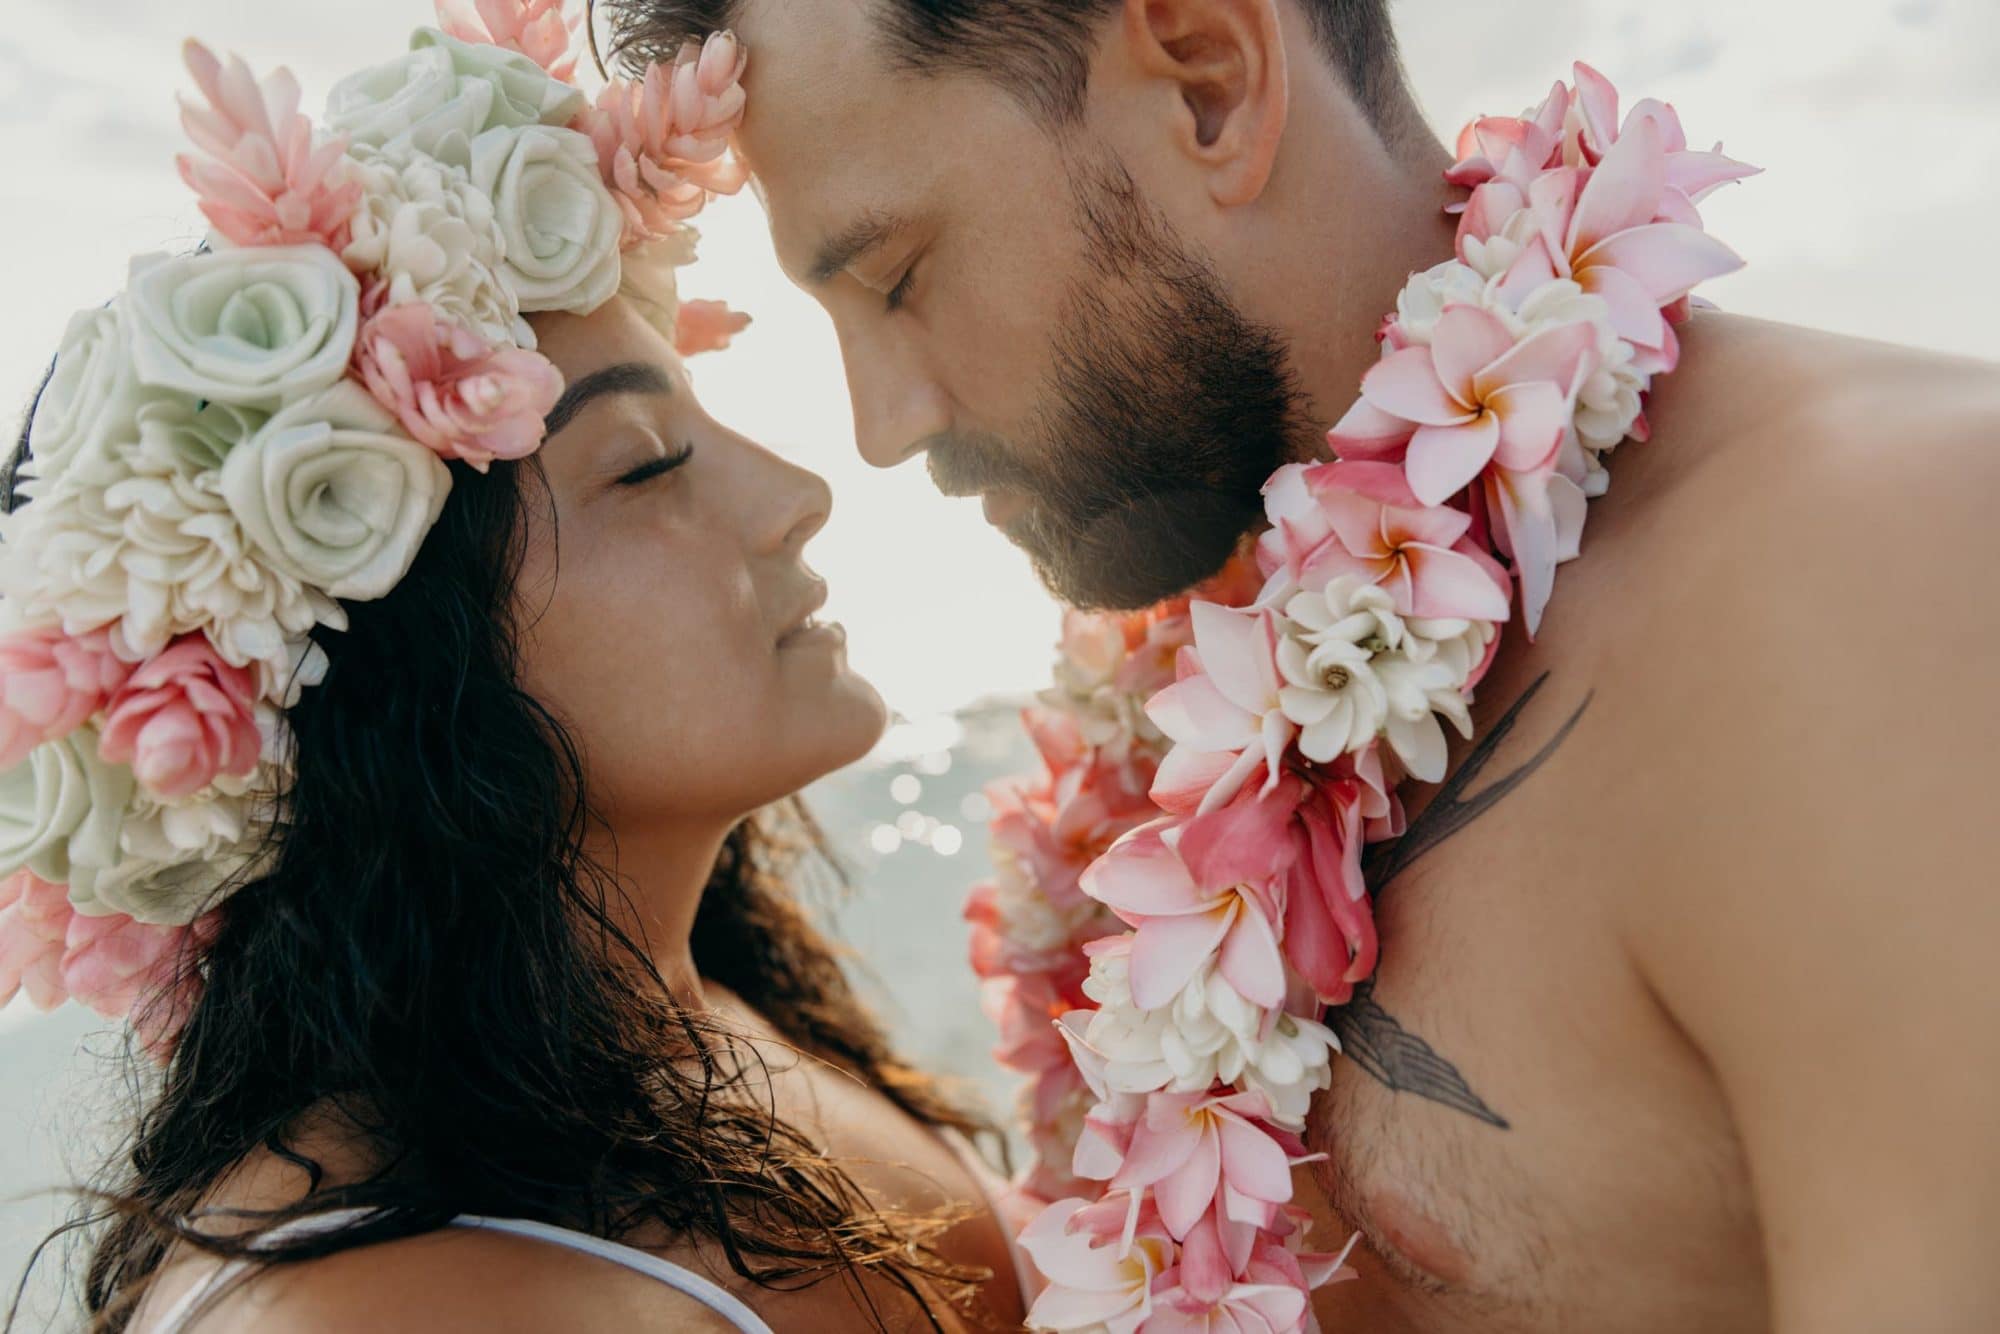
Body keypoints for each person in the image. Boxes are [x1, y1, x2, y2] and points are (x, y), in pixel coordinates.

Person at [601, 1, 2000, 1330]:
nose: (880, 426)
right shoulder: (1200, 695)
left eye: (897, 276)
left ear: (1211, 82)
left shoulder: (1868, 578)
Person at [0, 14, 1024, 1333]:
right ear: (405, 666)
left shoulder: (687, 1014)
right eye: (650, 464)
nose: (801, 494)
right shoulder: (374, 1312)